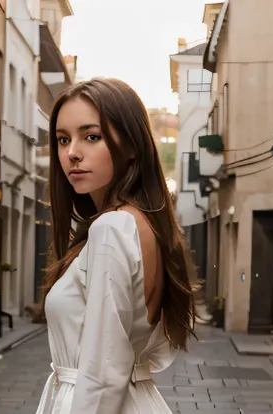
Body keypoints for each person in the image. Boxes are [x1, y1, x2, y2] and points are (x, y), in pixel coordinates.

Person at [35, 78, 196, 414]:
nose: (72, 152)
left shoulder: (113, 227)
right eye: (63, 139)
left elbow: (104, 372)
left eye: (91, 136)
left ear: (132, 145)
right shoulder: (141, 224)